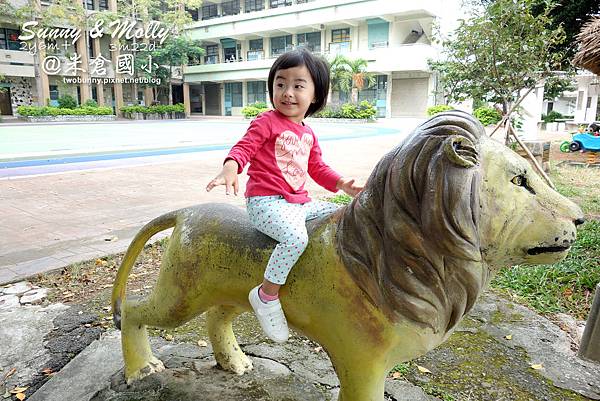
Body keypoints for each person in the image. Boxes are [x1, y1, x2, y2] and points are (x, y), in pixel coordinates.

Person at [206, 48, 362, 343]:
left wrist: (343, 184)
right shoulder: (266, 122)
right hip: (265, 203)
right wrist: (231, 168)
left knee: (340, 213)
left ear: (315, 95)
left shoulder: (308, 133)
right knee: (295, 238)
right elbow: (244, 148)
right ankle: (266, 295)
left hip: (298, 203)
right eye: (280, 84)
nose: (288, 92)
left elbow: (317, 167)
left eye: (298, 85)